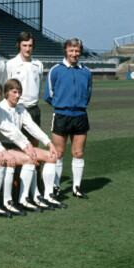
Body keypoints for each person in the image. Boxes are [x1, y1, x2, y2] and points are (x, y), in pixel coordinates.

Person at [0, 78, 63, 212]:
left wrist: (48, 142)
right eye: (14, 92)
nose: (17, 95)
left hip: (21, 146)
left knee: (52, 156)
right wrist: (27, 146)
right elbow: (11, 133)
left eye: (19, 92)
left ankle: (47, 195)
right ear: (6, 92)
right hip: (4, 147)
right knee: (30, 158)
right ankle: (24, 198)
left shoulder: (21, 108)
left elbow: (32, 127)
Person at [44, 37, 92, 199]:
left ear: (80, 52)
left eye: (77, 51)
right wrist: (62, 105)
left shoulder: (85, 71)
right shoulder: (56, 70)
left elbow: (88, 93)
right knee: (59, 152)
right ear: (65, 50)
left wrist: (78, 105)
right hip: (61, 116)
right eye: (71, 51)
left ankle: (76, 187)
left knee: (78, 153)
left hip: (80, 116)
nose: (74, 54)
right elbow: (48, 95)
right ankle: (56, 187)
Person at [5, 32, 44, 143]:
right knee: (17, 146)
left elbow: (38, 85)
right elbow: (7, 88)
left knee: (34, 146)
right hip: (17, 109)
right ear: (19, 45)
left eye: (30, 45)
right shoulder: (11, 64)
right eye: (24, 45)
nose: (27, 49)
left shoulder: (38, 64)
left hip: (34, 110)